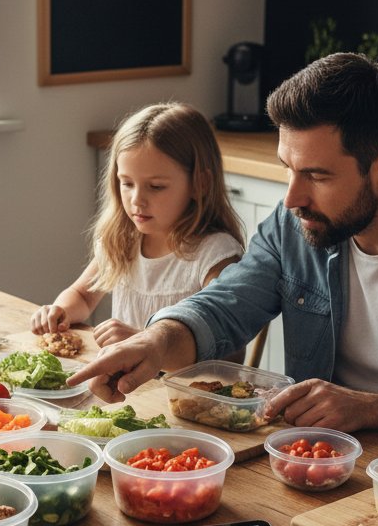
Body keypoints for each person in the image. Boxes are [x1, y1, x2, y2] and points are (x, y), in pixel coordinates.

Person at [69, 53, 378, 432]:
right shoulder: (293, 223)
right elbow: (225, 306)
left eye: (316, 175)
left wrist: (373, 409)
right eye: (288, 169)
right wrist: (155, 341)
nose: (292, 198)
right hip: (312, 454)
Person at [30, 102, 245, 348]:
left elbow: (230, 350)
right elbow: (83, 295)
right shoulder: (124, 238)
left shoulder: (214, 254)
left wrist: (145, 341)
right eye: (127, 183)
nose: (136, 200)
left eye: (156, 187)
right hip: (122, 374)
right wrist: (60, 310)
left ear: (200, 184)